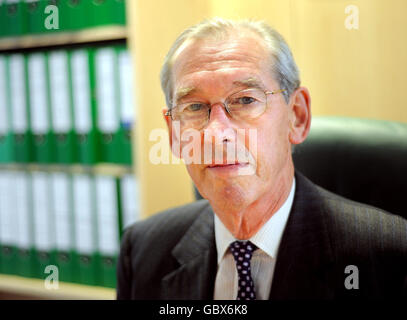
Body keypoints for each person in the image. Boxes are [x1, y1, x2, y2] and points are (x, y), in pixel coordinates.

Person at [116, 18, 407, 300]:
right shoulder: (142, 250)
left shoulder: (389, 255)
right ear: (175, 134)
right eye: (194, 106)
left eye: (245, 100)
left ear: (297, 116)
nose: (217, 134)